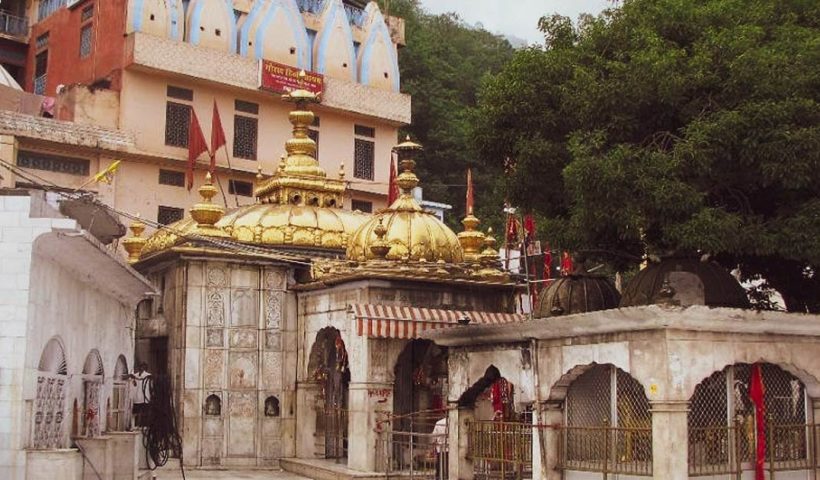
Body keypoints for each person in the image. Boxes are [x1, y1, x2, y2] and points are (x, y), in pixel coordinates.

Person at [129, 362, 152, 427]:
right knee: (135, 413)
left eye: (143, 367)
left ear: (145, 368)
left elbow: (142, 379)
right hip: (136, 397)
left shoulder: (148, 375)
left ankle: (144, 426)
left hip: (145, 397)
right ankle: (134, 426)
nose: (141, 368)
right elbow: (134, 384)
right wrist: (133, 379)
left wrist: (135, 378)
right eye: (140, 367)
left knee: (145, 413)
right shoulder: (135, 375)